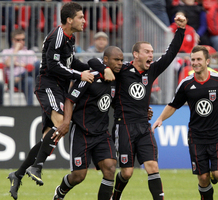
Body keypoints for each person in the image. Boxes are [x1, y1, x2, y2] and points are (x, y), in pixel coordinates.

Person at [6, 3, 112, 200]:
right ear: (70, 20)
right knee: (60, 124)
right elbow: (54, 66)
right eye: (81, 17)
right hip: (48, 85)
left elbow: (72, 64)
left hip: (59, 88)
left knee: (50, 135)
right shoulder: (58, 36)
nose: (84, 21)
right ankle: (37, 166)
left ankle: (18, 174)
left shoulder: (70, 38)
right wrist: (80, 75)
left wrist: (95, 69)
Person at [151, 45, 218, 200]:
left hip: (217, 136)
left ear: (207, 61)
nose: (195, 62)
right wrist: (160, 118)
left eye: (199, 59)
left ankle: (214, 174)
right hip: (196, 138)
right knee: (202, 178)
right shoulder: (186, 84)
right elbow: (174, 104)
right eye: (193, 59)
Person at [111, 14, 186, 200]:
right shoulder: (121, 72)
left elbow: (170, 54)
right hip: (125, 126)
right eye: (147, 52)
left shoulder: (151, 70)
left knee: (152, 166)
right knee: (127, 173)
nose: (151, 55)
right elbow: (107, 86)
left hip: (144, 126)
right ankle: (116, 195)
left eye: (152, 52)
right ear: (136, 54)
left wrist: (181, 30)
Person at [52, 46, 123, 200]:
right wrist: (66, 122)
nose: (120, 63)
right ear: (105, 60)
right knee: (78, 176)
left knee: (110, 168)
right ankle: (60, 192)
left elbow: (114, 102)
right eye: (116, 60)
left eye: (122, 60)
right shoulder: (90, 77)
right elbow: (70, 99)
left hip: (102, 134)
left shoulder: (117, 80)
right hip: (82, 132)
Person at [2, 29, 40, 106]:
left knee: (31, 76)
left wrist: (18, 64)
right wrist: (16, 50)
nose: (21, 42)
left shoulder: (30, 53)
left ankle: (30, 107)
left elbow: (33, 68)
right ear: (13, 40)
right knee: (29, 80)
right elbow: (9, 63)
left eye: (23, 39)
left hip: (25, 78)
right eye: (18, 40)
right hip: (13, 80)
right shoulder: (6, 52)